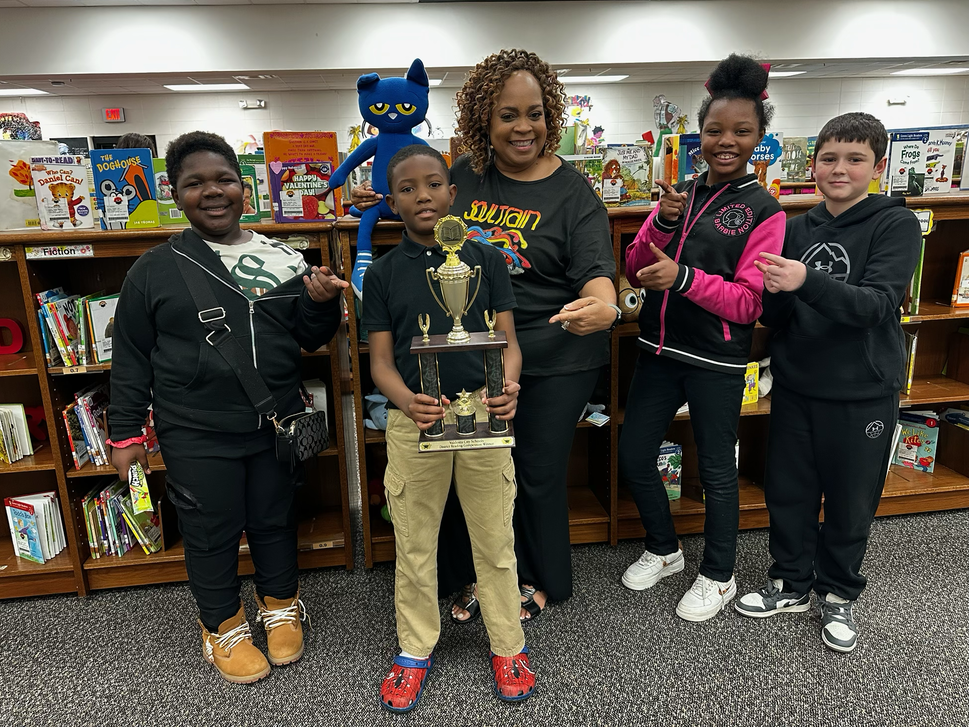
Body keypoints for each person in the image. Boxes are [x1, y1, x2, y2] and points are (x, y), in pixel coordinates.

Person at [357, 49, 618, 622]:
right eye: (507, 115)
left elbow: (598, 275)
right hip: (465, 353)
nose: (523, 127)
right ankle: (475, 578)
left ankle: (535, 579)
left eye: (534, 113)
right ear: (484, 119)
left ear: (551, 114)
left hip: (551, 352)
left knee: (533, 470)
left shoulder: (575, 194)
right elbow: (417, 204)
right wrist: (377, 201)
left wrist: (604, 306)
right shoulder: (466, 174)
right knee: (465, 469)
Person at [107, 131, 347, 683]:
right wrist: (125, 435)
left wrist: (317, 303)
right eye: (194, 183)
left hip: (275, 421)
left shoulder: (282, 254)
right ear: (174, 192)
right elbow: (132, 359)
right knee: (211, 529)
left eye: (223, 179)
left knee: (273, 517)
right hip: (195, 429)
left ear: (244, 186)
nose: (211, 192)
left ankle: (281, 605)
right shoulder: (152, 269)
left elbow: (308, 339)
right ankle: (222, 624)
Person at [734, 113, 921, 652]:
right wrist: (771, 294)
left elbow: (876, 305)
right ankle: (790, 583)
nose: (840, 169)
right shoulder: (795, 227)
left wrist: (804, 279)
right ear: (813, 163)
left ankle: (838, 594)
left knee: (850, 500)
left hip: (863, 390)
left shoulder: (894, 224)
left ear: (878, 166)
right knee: (788, 493)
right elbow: (777, 314)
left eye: (855, 159)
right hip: (797, 385)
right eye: (830, 158)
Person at [362, 145, 534, 711]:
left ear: (452, 192)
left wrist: (508, 387)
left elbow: (507, 343)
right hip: (417, 426)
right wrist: (408, 402)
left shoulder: (485, 260)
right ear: (392, 203)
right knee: (414, 542)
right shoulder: (384, 274)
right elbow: (380, 364)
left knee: (496, 540)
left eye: (433, 184)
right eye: (407, 189)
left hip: (483, 421)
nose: (422, 196)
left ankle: (508, 644)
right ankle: (415, 648)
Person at [620, 54, 786, 622]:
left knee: (717, 470)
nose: (725, 140)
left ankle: (719, 574)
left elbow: (749, 302)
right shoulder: (680, 194)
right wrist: (662, 222)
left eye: (741, 131)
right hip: (658, 352)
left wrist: (685, 279)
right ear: (700, 133)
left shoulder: (765, 209)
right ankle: (665, 549)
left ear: (759, 137)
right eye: (715, 129)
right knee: (634, 452)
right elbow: (635, 264)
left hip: (716, 358)